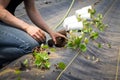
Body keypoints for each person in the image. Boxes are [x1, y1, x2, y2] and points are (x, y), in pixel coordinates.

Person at [0, 0, 66, 68]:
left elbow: (31, 9)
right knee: (30, 46)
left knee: (40, 39)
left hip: (4, 21)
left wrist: (51, 32)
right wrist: (27, 27)